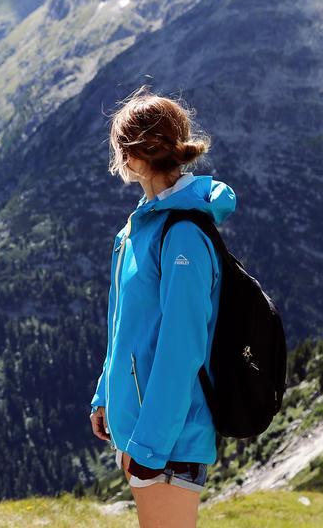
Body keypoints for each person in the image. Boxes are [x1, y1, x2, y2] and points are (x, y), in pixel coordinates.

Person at [88, 89, 236, 528]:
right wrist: (105, 396)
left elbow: (181, 348)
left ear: (131, 156)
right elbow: (126, 327)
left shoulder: (182, 235)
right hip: (145, 427)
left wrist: (149, 447)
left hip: (169, 439)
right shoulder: (142, 225)